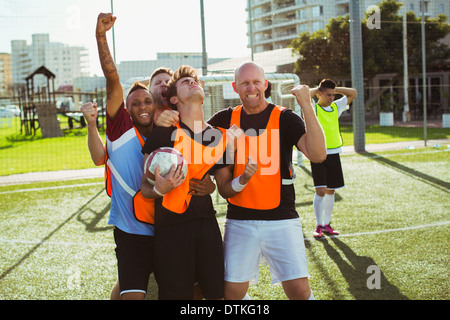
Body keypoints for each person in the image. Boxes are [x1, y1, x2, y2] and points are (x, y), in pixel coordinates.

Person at [209, 61, 326, 300]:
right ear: (235, 87)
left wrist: (306, 104)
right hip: (240, 220)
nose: (251, 87)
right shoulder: (223, 120)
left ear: (265, 84)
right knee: (231, 292)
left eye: (255, 82)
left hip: (281, 218)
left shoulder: (285, 118)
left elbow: (318, 154)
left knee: (299, 291)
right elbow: (194, 145)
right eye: (244, 83)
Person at [140, 65, 234, 300]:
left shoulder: (217, 137)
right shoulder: (164, 132)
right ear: (174, 99)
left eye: (195, 81)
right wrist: (159, 189)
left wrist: (213, 187)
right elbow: (145, 188)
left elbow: (224, 187)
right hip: (171, 228)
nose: (193, 83)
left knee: (215, 293)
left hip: (206, 223)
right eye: (185, 82)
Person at [309, 79, 357, 238]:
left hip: (334, 154)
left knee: (331, 190)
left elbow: (353, 93)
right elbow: (304, 96)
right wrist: (317, 88)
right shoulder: (313, 108)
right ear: (320, 94)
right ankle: (318, 225)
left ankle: (327, 224)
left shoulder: (336, 107)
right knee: (320, 190)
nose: (331, 98)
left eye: (333, 95)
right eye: (328, 95)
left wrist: (335, 90)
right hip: (318, 154)